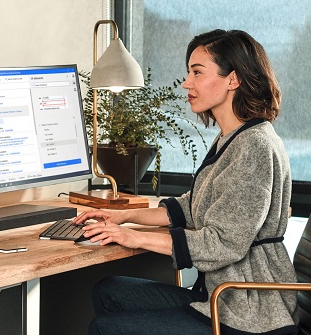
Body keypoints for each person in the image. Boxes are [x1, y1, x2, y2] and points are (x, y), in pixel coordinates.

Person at [73, 29, 297, 334]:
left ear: (233, 79)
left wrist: (134, 237)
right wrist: (122, 216)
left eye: (197, 72)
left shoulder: (254, 146)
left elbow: (224, 243)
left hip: (249, 311)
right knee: (109, 291)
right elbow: (190, 207)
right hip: (219, 296)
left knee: (104, 328)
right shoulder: (231, 138)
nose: (186, 83)